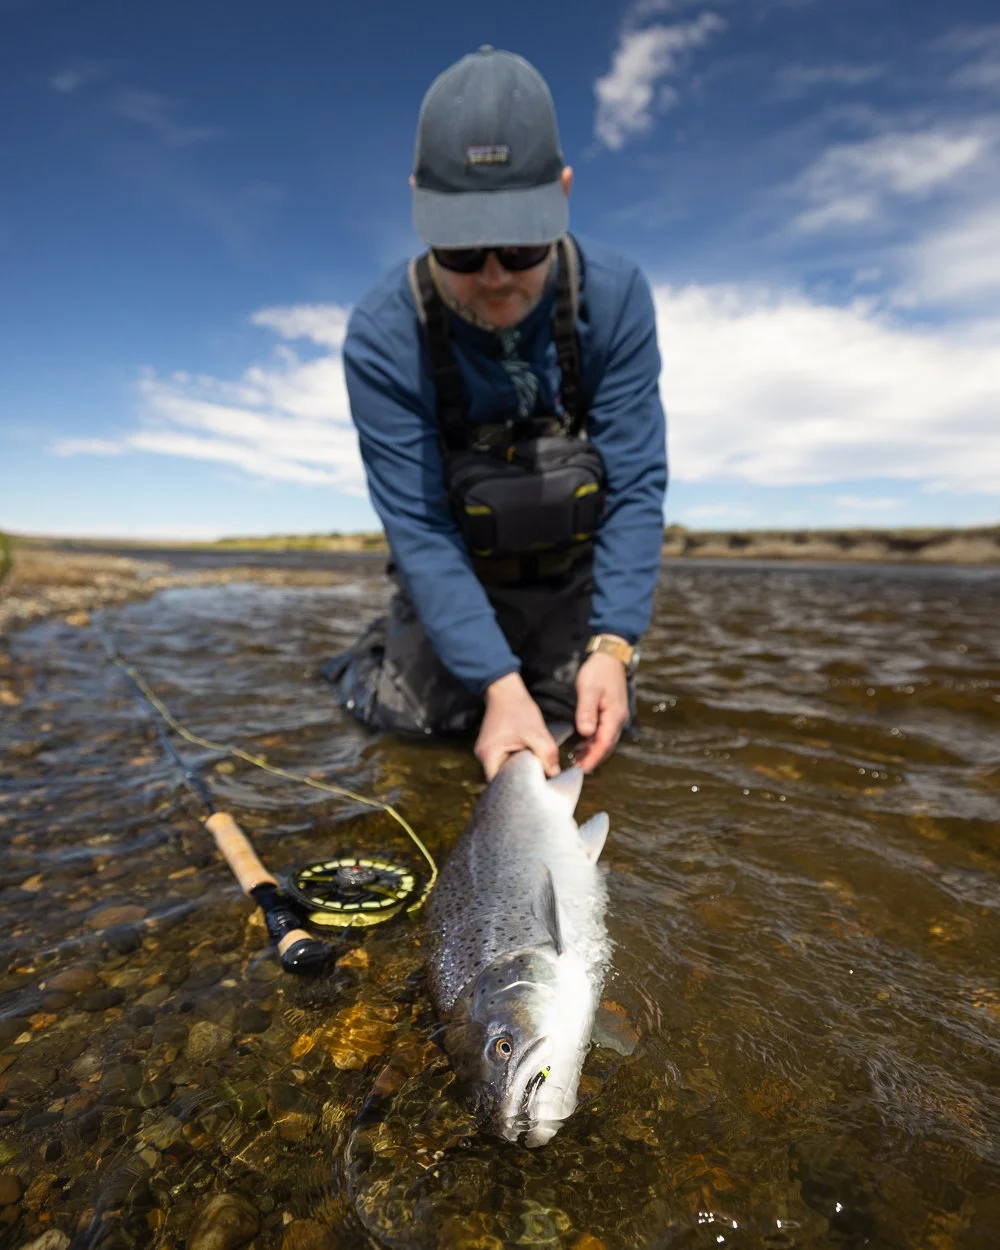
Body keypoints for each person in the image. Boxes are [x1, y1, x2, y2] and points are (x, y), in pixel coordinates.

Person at [323, 46, 667, 781]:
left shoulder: (617, 296)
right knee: (412, 731)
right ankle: (380, 655)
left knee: (590, 739)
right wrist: (496, 686)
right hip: (458, 570)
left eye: (518, 243)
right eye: (461, 247)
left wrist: (614, 645)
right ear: (419, 204)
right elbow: (418, 526)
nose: (492, 276)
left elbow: (637, 485)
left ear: (564, 193)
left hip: (570, 584)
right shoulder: (381, 335)